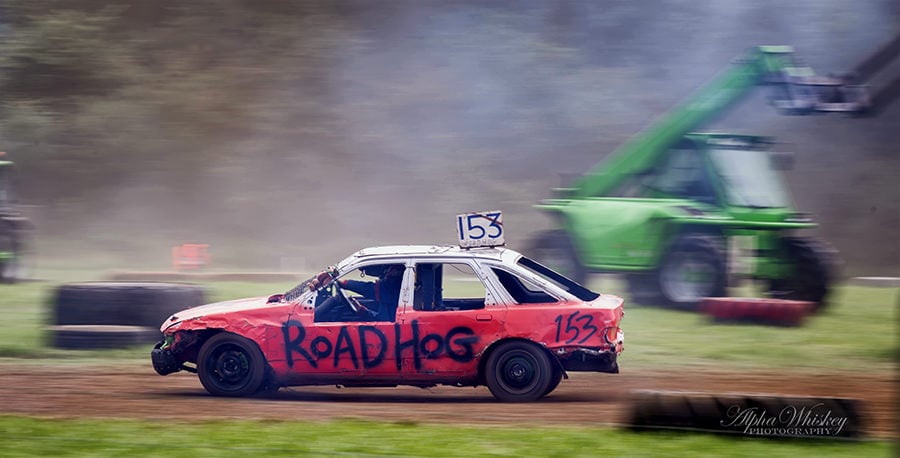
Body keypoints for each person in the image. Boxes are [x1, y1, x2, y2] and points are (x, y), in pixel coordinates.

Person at [314, 264, 404, 322]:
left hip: (389, 334)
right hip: (388, 331)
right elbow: (380, 318)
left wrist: (342, 283)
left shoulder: (394, 289)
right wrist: (361, 309)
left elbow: (370, 289)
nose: (387, 274)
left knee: (335, 301)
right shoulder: (391, 298)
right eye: (387, 271)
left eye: (392, 271)